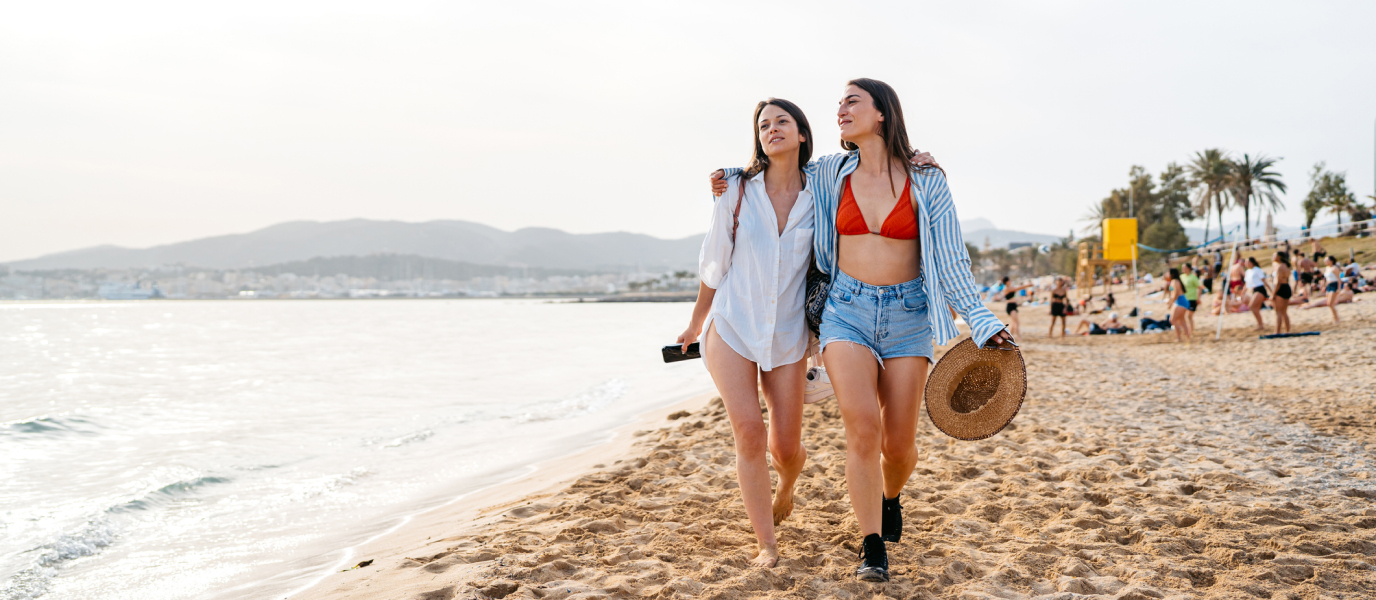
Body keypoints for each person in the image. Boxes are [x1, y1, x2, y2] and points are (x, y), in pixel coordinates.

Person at [707, 80, 991, 582]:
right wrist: (732, 174)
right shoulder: (830, 174)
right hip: (846, 312)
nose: (840, 109)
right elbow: (776, 170)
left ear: (881, 113)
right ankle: (872, 545)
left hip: (909, 316)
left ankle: (890, 495)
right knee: (862, 426)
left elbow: (950, 258)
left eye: (851, 101)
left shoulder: (926, 180)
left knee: (898, 445)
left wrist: (982, 320)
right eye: (838, 103)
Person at [676, 98, 817, 568]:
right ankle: (767, 543)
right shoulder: (736, 189)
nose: (772, 129)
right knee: (749, 432)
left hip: (788, 335)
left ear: (801, 134)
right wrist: (697, 321)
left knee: (786, 448)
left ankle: (788, 483)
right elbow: (715, 259)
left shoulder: (823, 192)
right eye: (763, 124)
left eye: (782, 122)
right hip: (732, 325)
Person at [999, 276, 1034, 341]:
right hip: (1010, 306)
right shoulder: (1006, 288)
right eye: (1009, 280)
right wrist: (1027, 285)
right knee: (1016, 322)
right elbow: (1018, 288)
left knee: (1013, 322)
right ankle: (1019, 337)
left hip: (1014, 305)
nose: (1011, 281)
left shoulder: (1009, 288)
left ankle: (1009, 336)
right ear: (1007, 282)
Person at [1243, 257, 1268, 331]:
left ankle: (1261, 324)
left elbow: (1264, 281)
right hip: (1254, 289)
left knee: (1252, 306)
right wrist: (1243, 292)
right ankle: (1260, 324)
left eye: (1247, 262)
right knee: (1254, 308)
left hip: (1260, 289)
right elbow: (1247, 283)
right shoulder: (1248, 272)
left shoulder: (1257, 269)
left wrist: (1270, 290)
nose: (1246, 263)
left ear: (1252, 262)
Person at [1167, 267, 1192, 343]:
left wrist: (1171, 303)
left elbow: (1175, 293)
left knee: (1173, 319)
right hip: (1182, 300)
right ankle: (1188, 336)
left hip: (1180, 301)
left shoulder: (1174, 281)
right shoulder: (1177, 281)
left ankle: (1179, 337)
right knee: (1181, 320)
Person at [1271, 251, 1293, 335]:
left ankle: (1277, 331)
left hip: (1281, 288)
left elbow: (1278, 282)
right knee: (1284, 312)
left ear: (1279, 257)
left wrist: (1273, 294)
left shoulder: (1280, 267)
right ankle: (1287, 330)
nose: (1273, 257)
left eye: (1274, 255)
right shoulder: (1286, 266)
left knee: (1278, 312)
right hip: (1287, 287)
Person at [1179, 264, 1201, 333]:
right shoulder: (1181, 277)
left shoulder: (1193, 277)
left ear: (1188, 268)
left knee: (1189, 316)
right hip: (1183, 298)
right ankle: (1186, 330)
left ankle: (1191, 331)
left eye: (1184, 268)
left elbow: (1199, 288)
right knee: (1181, 316)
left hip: (1192, 298)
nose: (1182, 269)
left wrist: (1198, 298)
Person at [1321, 255, 1342, 324]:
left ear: (1331, 261)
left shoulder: (1335, 268)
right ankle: (1335, 317)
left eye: (1327, 260)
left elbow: (1339, 279)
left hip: (1334, 285)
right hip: (1329, 285)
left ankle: (1337, 318)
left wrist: (1339, 288)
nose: (1325, 262)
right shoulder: (1327, 268)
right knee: (1328, 303)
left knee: (1330, 303)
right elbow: (1327, 279)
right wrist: (1324, 286)